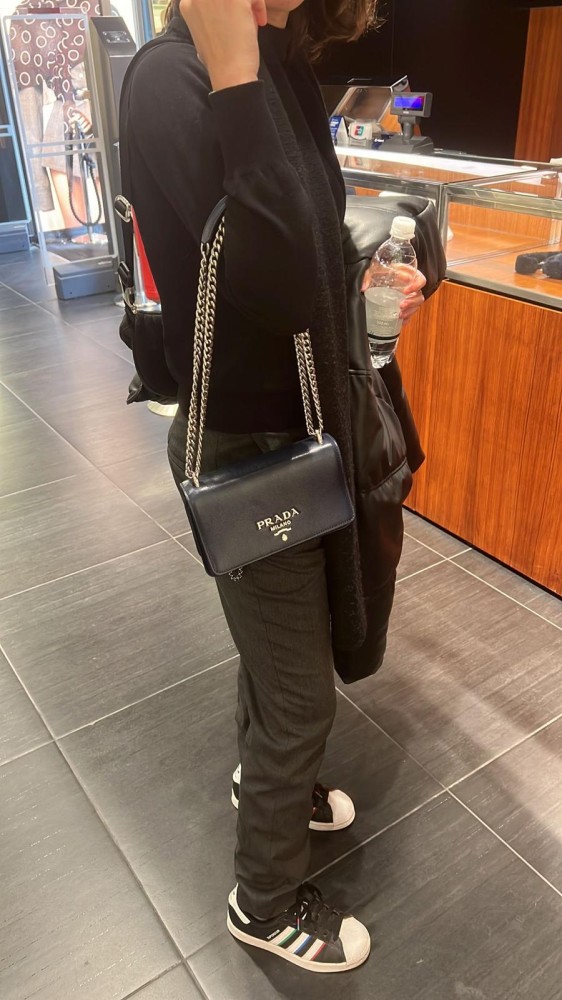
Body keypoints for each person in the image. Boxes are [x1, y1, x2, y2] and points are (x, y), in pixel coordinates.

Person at [120, 0, 427, 974]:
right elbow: (275, 283)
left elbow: (311, 238)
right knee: (300, 699)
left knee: (285, 655)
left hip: (301, 423)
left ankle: (273, 782)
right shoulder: (176, 81)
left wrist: (366, 284)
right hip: (247, 444)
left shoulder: (272, 63)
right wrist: (236, 84)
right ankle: (262, 898)